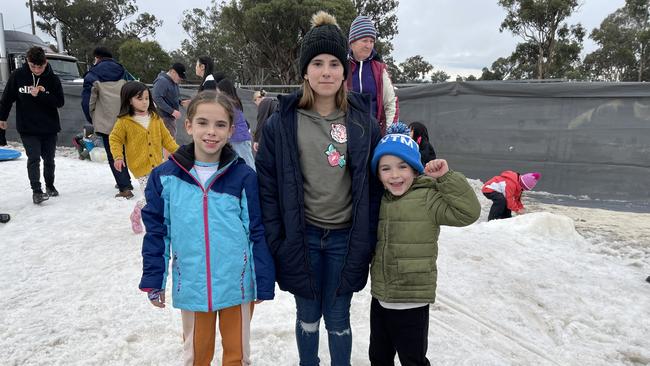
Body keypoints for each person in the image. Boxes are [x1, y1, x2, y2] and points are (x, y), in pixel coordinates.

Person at [255, 11, 382, 366]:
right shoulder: (281, 124)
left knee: (338, 316)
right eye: (317, 63)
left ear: (344, 70)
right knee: (308, 316)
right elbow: (267, 185)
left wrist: (368, 236)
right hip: (302, 236)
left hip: (345, 239)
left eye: (333, 64)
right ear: (305, 71)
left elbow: (375, 187)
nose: (326, 71)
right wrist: (278, 237)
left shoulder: (363, 124)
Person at [139, 91, 275, 365]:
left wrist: (262, 279)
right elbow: (157, 232)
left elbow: (256, 231)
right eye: (203, 123)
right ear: (188, 126)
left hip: (237, 286)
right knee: (197, 356)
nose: (211, 132)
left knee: (236, 356)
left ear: (231, 130)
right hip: (192, 286)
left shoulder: (243, 176)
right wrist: (154, 279)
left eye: (220, 125)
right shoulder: (165, 177)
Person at [368, 123, 480, 366]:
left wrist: (446, 179)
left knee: (413, 359)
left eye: (402, 167)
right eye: (385, 168)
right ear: (378, 174)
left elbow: (468, 213)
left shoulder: (428, 198)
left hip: (412, 300)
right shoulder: (381, 201)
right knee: (378, 357)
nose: (395, 175)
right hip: (381, 297)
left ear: (416, 170)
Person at [109, 81, 179, 234]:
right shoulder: (124, 122)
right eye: (139, 99)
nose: (145, 102)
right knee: (152, 196)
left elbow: (166, 139)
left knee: (161, 194)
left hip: (158, 165)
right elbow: (115, 139)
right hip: (140, 167)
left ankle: (138, 210)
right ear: (129, 100)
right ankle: (152, 223)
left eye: (147, 98)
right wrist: (118, 156)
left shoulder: (155, 118)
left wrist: (180, 153)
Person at [0, 46, 64, 204]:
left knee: (49, 159)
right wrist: (2, 118)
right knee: (34, 158)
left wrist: (41, 95)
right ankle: (37, 191)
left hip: (49, 127)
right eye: (32, 66)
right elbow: (7, 99)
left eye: (40, 66)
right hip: (27, 127)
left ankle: (50, 185)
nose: (36, 69)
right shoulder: (18, 76)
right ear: (27, 62)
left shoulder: (53, 79)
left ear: (46, 62)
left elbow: (60, 102)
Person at [81, 46, 134, 199]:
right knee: (124, 152)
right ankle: (126, 180)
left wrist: (92, 118)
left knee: (113, 155)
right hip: (126, 119)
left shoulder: (92, 75)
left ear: (97, 58)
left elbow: (87, 102)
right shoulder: (124, 72)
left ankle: (125, 188)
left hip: (106, 123)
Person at [346, 15, 399, 134]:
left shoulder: (380, 69)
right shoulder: (340, 67)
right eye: (364, 40)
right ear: (352, 42)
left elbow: (391, 104)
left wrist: (390, 135)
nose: (369, 45)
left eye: (372, 41)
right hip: (345, 135)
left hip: (374, 135)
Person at [216, 78, 256, 170]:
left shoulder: (231, 105)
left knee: (248, 164)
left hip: (239, 139)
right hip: (237, 138)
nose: (217, 94)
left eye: (219, 91)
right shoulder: (233, 103)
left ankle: (253, 182)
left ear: (224, 91)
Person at [152, 62, 190, 138]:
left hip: (169, 118)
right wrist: (172, 111)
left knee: (170, 141)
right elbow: (157, 98)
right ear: (173, 72)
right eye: (180, 76)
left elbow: (171, 96)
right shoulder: (162, 81)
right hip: (164, 118)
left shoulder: (173, 82)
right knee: (168, 142)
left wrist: (181, 102)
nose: (181, 79)